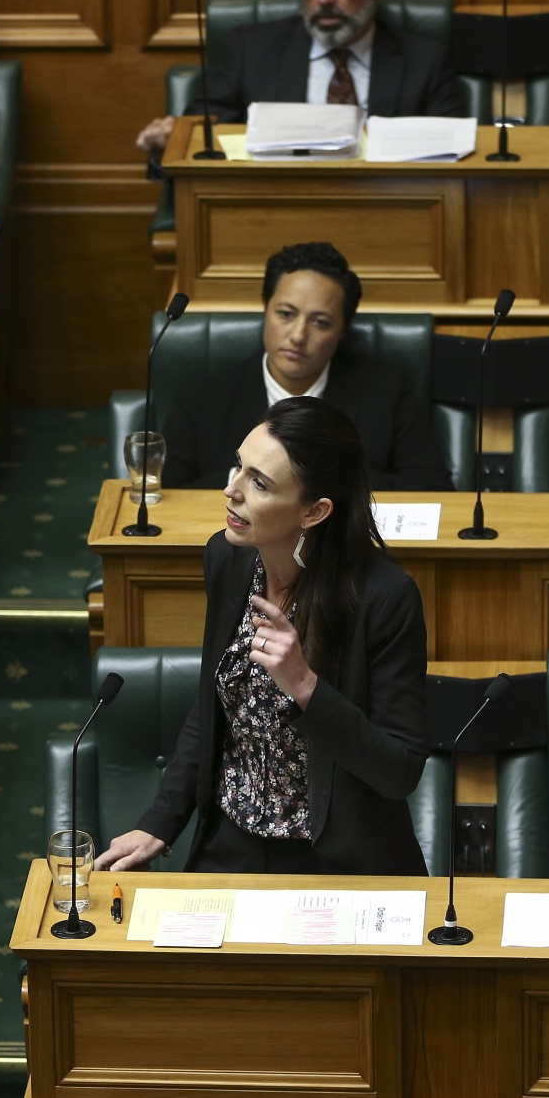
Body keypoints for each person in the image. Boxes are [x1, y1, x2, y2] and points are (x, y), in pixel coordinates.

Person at [97, 398, 430, 876]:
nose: (231, 490)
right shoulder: (228, 559)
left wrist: (306, 688)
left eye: (259, 482)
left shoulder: (383, 598)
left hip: (334, 859)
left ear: (314, 511)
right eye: (239, 466)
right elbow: (212, 705)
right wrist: (160, 822)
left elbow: (399, 772)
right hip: (232, 844)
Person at [136, 0, 463, 158]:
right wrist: (167, 143)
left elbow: (453, 158)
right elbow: (198, 148)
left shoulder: (425, 61)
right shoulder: (251, 51)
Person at [161, 242, 449, 491]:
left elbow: (433, 490)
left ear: (343, 330)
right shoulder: (202, 397)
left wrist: (314, 474)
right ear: (266, 308)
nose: (298, 336)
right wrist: (246, 477)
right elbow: (167, 495)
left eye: (320, 322)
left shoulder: (387, 392)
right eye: (286, 314)